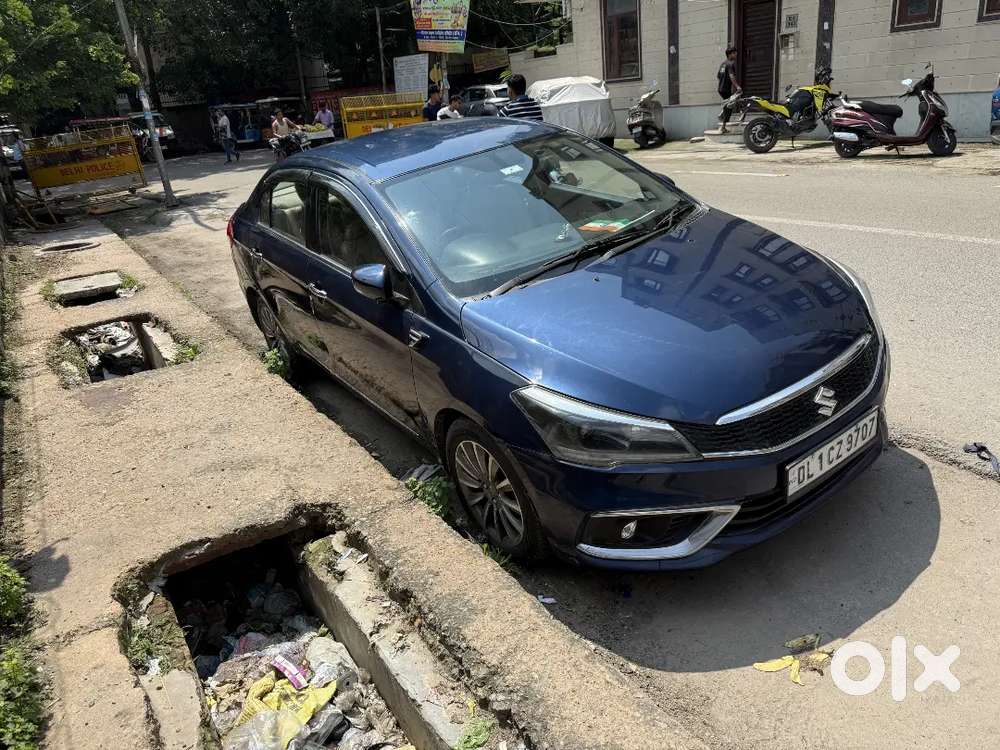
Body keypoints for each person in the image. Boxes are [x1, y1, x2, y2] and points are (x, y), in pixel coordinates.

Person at [717, 45, 741, 134]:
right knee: (729, 107)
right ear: (730, 54)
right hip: (726, 89)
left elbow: (718, 76)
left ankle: (723, 111)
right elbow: (731, 76)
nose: (736, 54)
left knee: (728, 104)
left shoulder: (723, 64)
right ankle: (723, 127)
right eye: (734, 53)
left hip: (720, 88)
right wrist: (737, 86)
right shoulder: (731, 64)